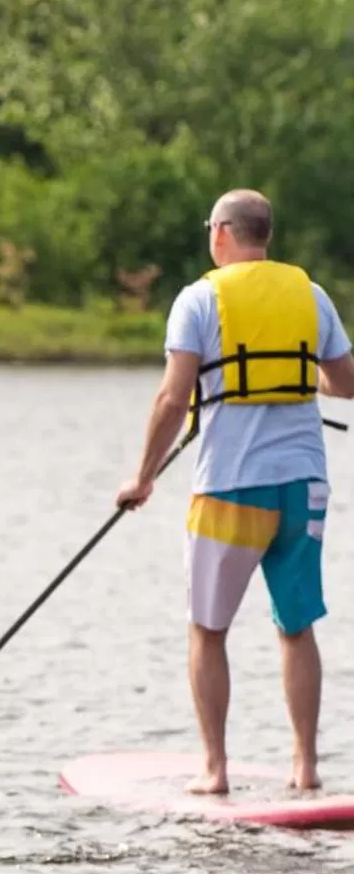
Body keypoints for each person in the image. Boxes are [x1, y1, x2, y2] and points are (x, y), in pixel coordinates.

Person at [116, 189, 353, 794]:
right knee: (296, 626)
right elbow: (346, 385)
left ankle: (216, 770)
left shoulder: (198, 299)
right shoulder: (312, 295)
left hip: (229, 489)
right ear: (264, 235)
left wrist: (141, 477)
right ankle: (305, 767)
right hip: (304, 486)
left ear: (221, 232)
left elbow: (173, 398)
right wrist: (300, 381)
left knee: (207, 629)